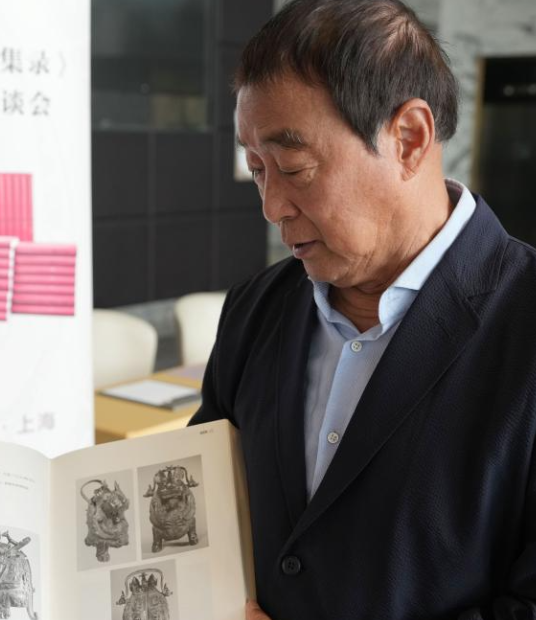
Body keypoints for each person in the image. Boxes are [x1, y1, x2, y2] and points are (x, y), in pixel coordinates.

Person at [188, 1, 536, 618]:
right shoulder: (254, 309)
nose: (272, 206)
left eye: (294, 167)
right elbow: (207, 507)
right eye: (258, 170)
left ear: (409, 139)